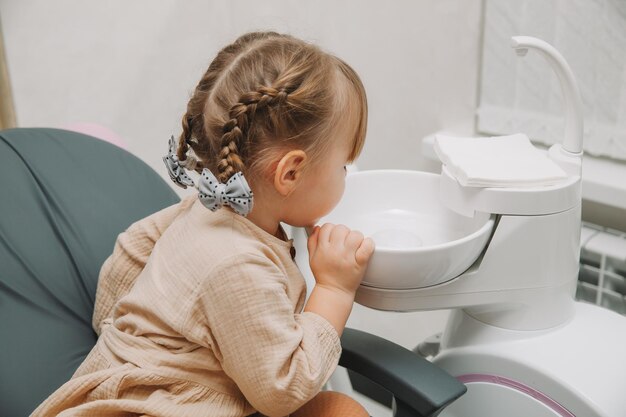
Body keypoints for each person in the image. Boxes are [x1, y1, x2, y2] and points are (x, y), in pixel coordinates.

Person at [32, 31, 374, 417]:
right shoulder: (238, 264)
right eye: (343, 165)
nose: (347, 174)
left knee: (340, 410)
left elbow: (131, 250)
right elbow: (283, 389)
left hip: (146, 389)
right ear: (291, 173)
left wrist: (130, 336)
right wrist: (334, 288)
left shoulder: (205, 206)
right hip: (159, 407)